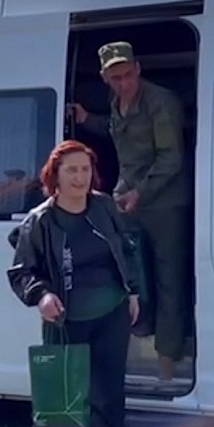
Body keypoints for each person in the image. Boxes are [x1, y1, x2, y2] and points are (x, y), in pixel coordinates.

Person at [6, 139, 141, 427]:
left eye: (85, 169)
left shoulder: (103, 206)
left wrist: (131, 291)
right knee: (70, 403)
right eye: (72, 170)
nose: (80, 177)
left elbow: (126, 248)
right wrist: (41, 296)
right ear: (56, 176)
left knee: (109, 398)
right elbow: (21, 272)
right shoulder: (41, 221)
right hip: (66, 320)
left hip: (111, 313)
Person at [67, 41, 191, 387]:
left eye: (127, 75)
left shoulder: (160, 102)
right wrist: (86, 120)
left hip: (164, 205)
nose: (123, 83)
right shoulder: (117, 101)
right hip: (128, 201)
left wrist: (139, 193)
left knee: (169, 281)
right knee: (129, 276)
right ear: (105, 78)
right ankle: (135, 341)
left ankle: (167, 366)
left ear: (137, 69)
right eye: (115, 78)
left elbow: (171, 158)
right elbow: (116, 128)